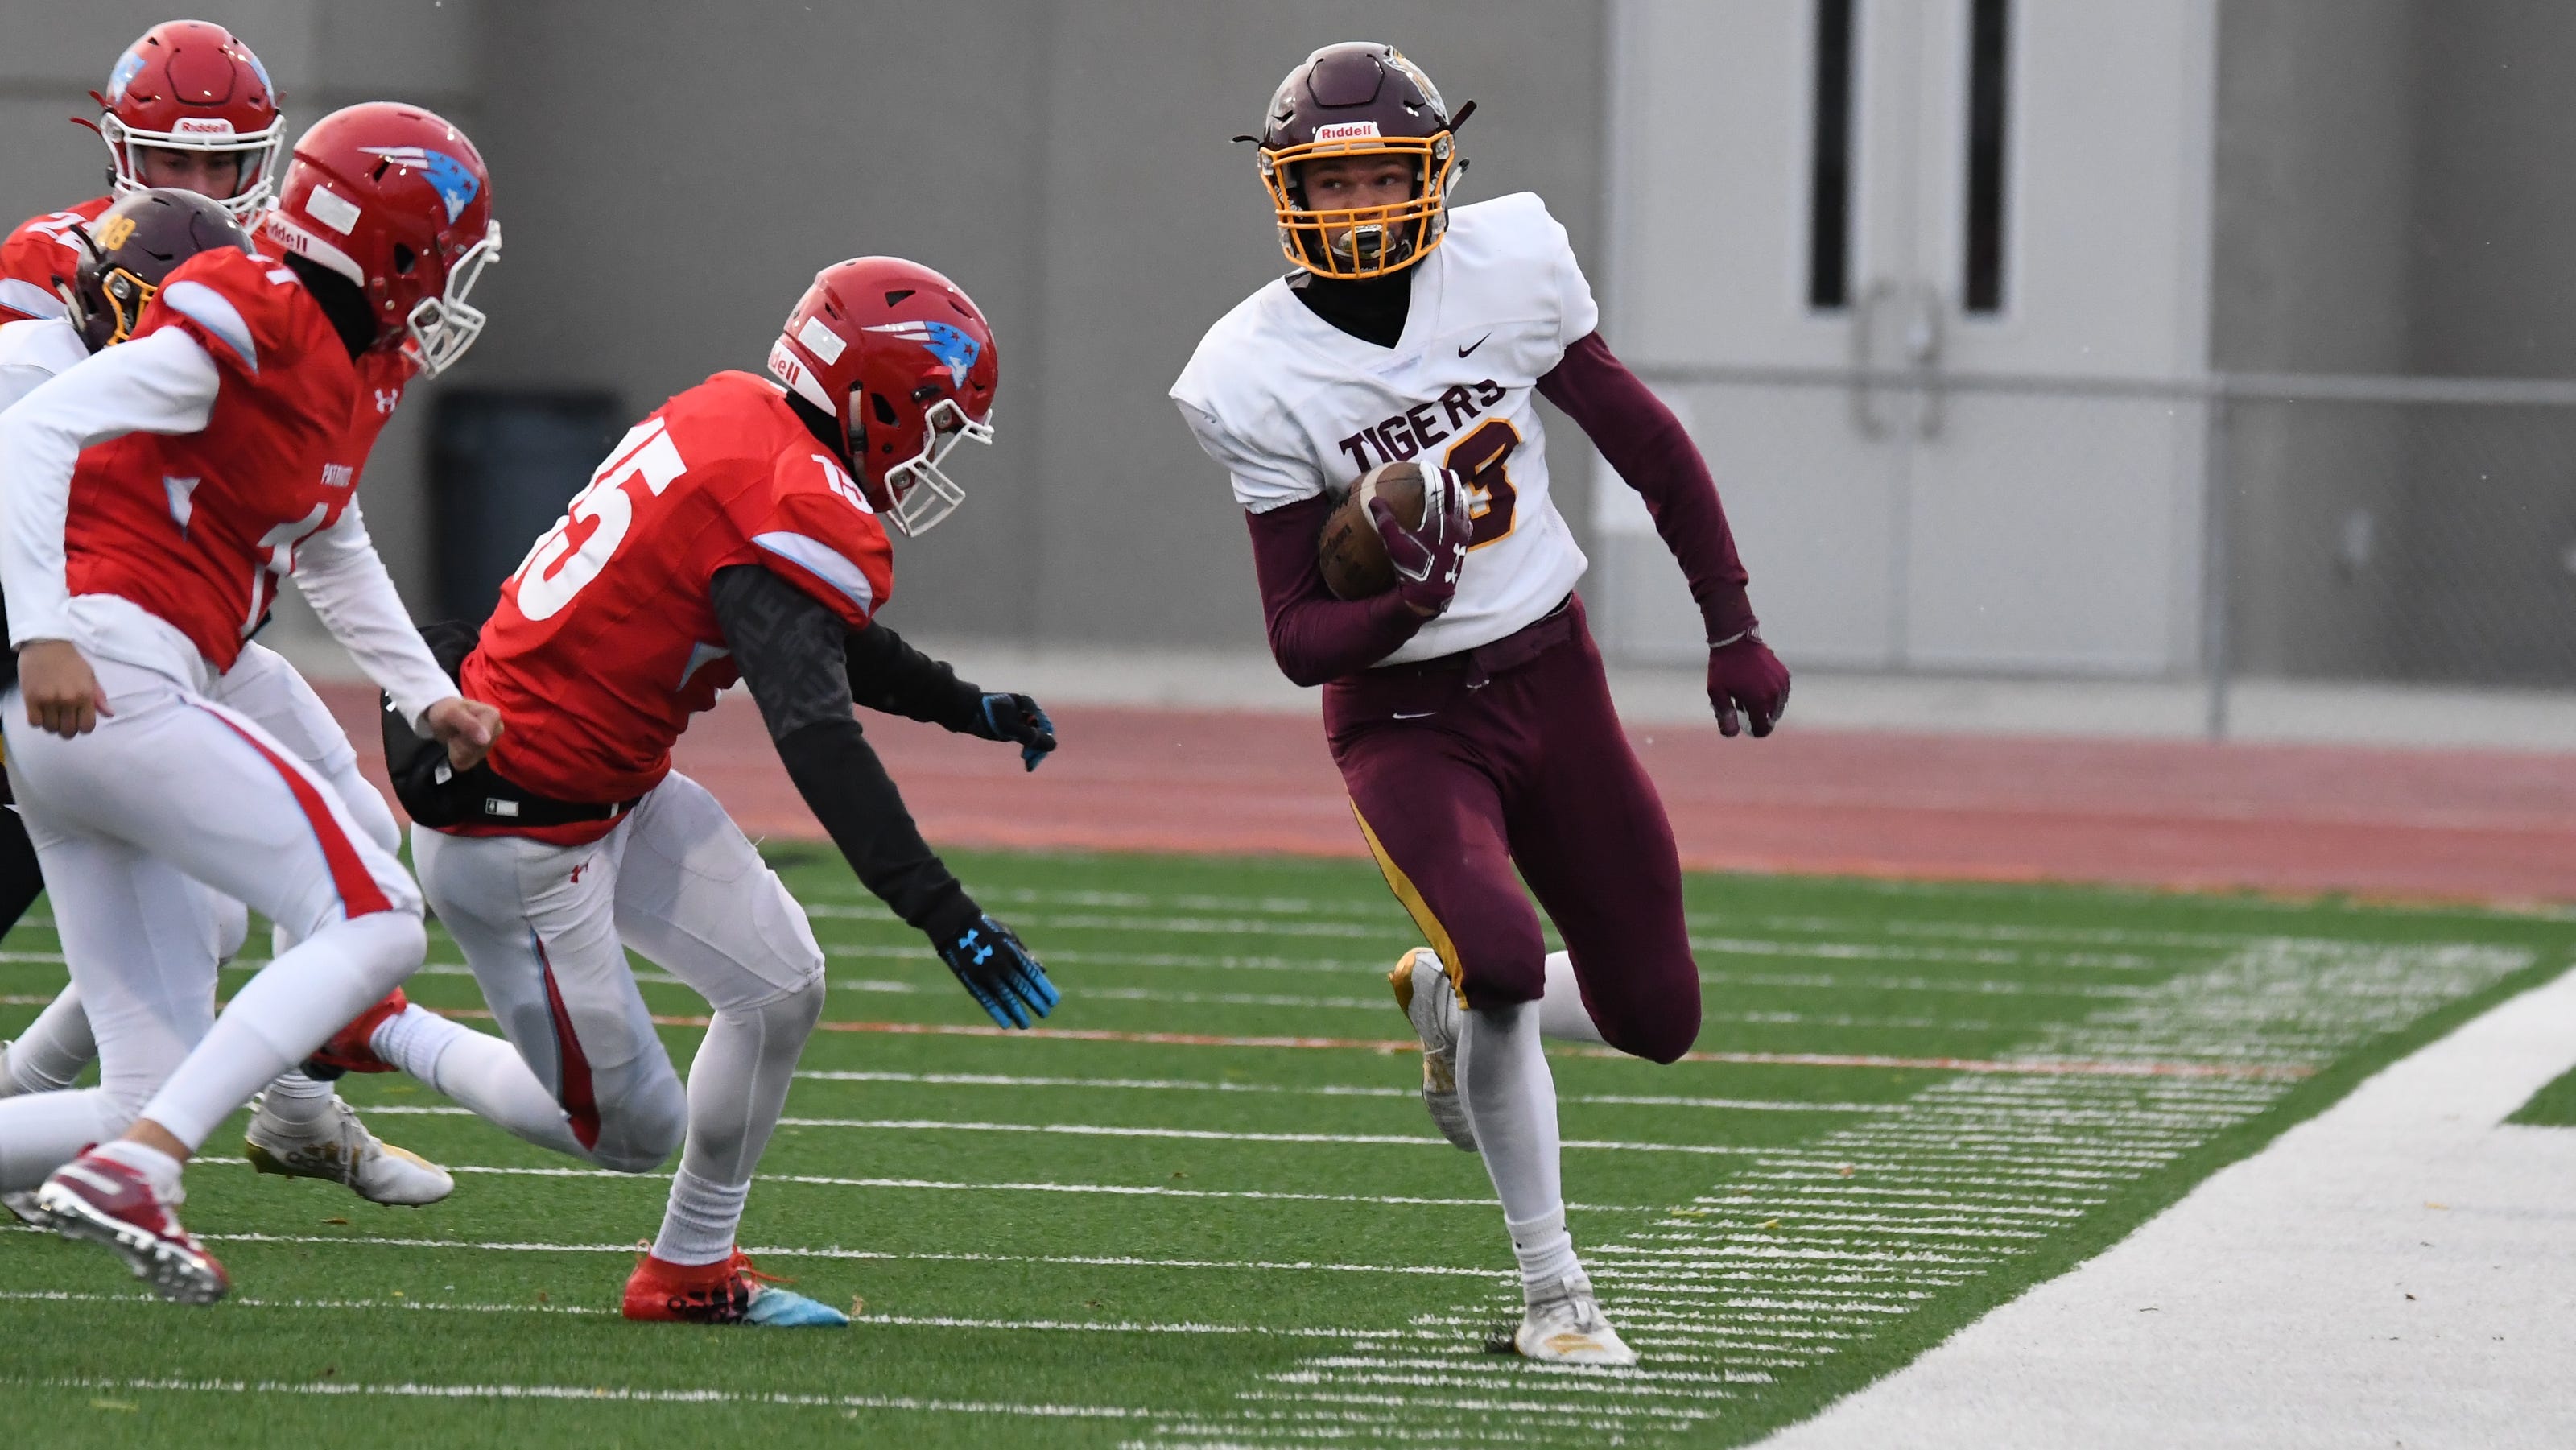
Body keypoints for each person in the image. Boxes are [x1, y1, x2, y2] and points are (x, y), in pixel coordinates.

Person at [1169, 42, 1793, 1365]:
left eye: (1380, 176)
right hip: (1405, 718)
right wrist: (1405, 600)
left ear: (1433, 171)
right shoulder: (1251, 367)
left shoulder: (1505, 268)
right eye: (1329, 185)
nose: (1356, 208)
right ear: (1290, 193)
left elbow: (1648, 443)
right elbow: (1295, 637)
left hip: (1554, 673)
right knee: (1506, 961)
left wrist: (1730, 621)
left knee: (1658, 1016)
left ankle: (1444, 1004)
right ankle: (1555, 1295)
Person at [396, 256, 1062, 1327]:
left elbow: (820, 639)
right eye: (933, 418)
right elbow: (814, 731)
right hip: (517, 822)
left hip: (605, 778)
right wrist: (947, 914)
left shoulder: (740, 417)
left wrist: (969, 705)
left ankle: (691, 1266)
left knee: (780, 982)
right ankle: (380, 1024)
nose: (932, 449)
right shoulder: (786, 497)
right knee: (627, 1132)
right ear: (874, 396)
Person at [0, 101, 506, 1304]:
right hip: (110, 670)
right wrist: (38, 636)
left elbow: (329, 534)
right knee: (376, 908)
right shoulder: (254, 307)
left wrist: (429, 694)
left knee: (143, 1084)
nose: (452, 284)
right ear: (385, 248)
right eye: (443, 254)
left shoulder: (348, 359)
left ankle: (199, 1125)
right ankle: (265, 1118)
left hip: (134, 684)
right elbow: (33, 438)